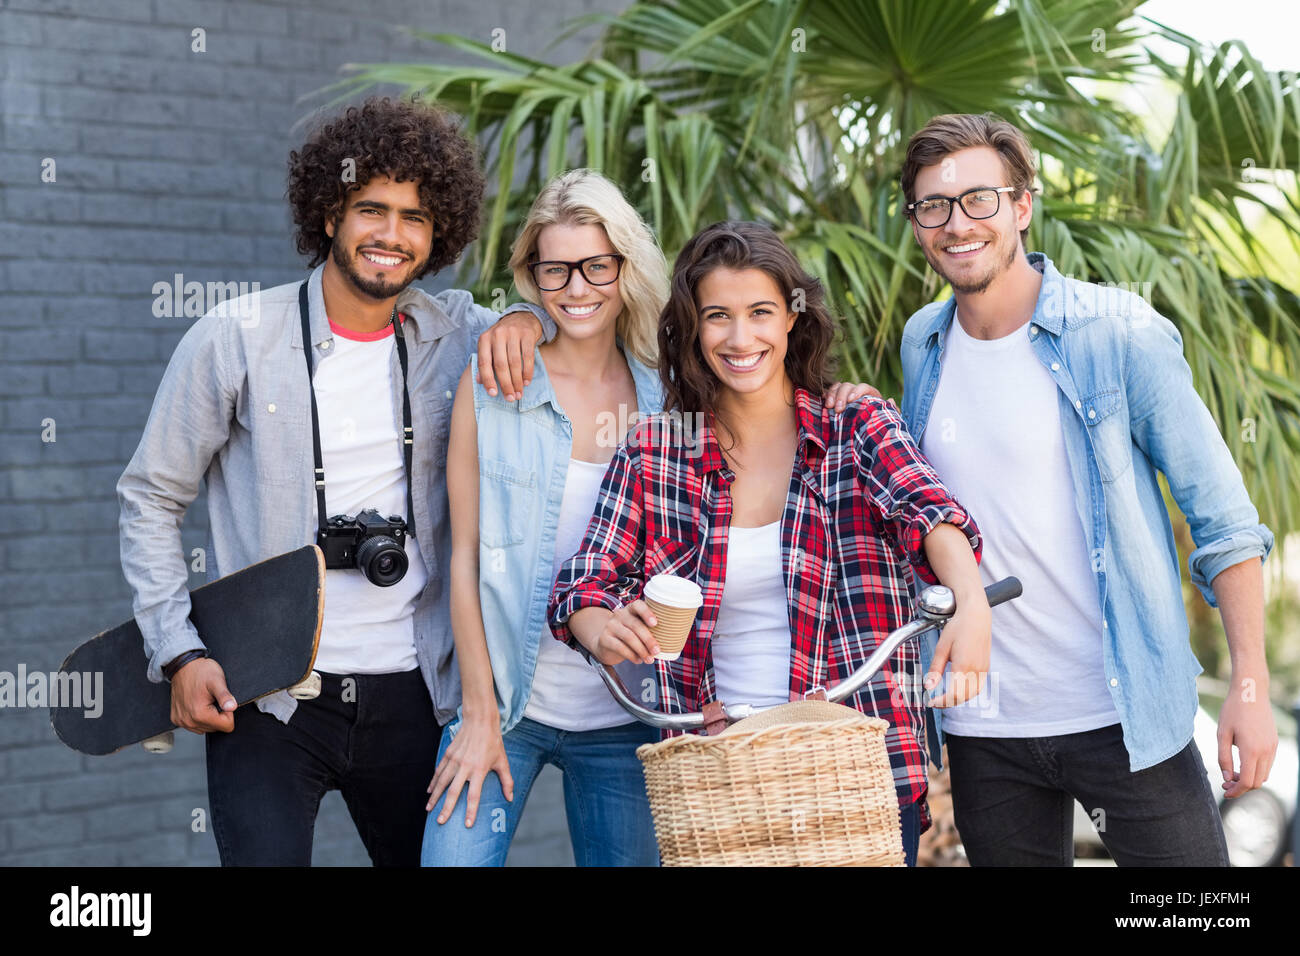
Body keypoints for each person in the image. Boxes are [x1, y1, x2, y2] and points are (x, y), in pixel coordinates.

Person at [117, 96, 556, 866]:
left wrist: (526, 317)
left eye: (414, 218)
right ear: (329, 214)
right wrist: (180, 654)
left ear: (436, 234)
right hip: (271, 696)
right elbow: (151, 498)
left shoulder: (455, 333)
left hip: (417, 693)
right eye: (371, 210)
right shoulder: (236, 339)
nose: (391, 235)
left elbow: (569, 318)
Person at [423, 174, 878, 866]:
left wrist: (840, 395)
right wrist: (479, 712)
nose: (577, 289)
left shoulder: (669, 396)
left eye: (596, 266)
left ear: (624, 267)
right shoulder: (497, 385)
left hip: (634, 719)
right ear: (532, 275)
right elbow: (464, 557)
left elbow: (742, 502)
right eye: (555, 269)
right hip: (509, 705)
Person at [897, 112, 1277, 866]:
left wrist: (1250, 688)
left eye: (979, 199)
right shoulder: (923, 342)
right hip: (985, 725)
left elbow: (1225, 522)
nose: (956, 224)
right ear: (916, 223)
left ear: (1022, 205)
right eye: (932, 206)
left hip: (1122, 714)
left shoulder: (1119, 333)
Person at [548, 220, 991, 866]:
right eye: (717, 316)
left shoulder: (854, 425)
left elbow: (931, 515)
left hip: (854, 766)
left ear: (792, 318)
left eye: (760, 312)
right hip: (719, 771)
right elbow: (583, 584)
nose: (740, 337)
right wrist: (601, 629)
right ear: (692, 330)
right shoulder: (655, 451)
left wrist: (970, 603)